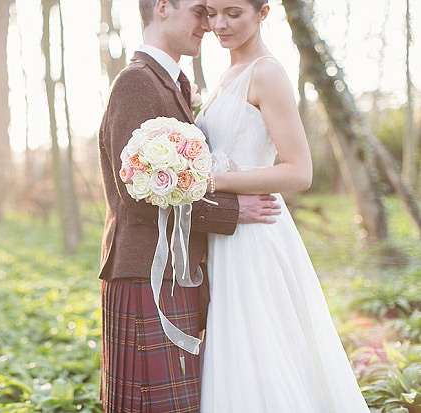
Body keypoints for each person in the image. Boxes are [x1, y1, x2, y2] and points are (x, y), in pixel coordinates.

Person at [97, 0, 281, 411]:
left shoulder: (169, 83)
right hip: (146, 273)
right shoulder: (137, 82)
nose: (209, 24)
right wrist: (233, 212)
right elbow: (138, 194)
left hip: (174, 271)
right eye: (200, 11)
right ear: (162, 6)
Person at [196, 0, 370, 411]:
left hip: (255, 236)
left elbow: (298, 172)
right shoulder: (226, 75)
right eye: (211, 12)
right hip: (226, 233)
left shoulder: (267, 72)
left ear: (263, 12)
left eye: (233, 13)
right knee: (237, 353)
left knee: (265, 352)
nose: (219, 24)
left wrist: (209, 182)